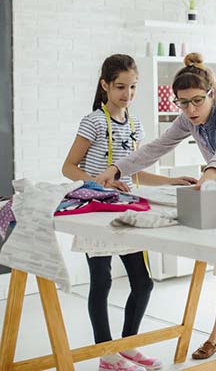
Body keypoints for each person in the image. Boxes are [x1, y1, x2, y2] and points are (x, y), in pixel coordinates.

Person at [94, 52, 216, 371]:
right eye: (182, 103)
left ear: (212, 93)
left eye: (197, 101)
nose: (191, 110)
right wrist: (117, 168)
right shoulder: (188, 117)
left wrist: (207, 178)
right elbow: (156, 148)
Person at [62, 54, 195, 371]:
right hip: (95, 210)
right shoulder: (93, 121)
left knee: (143, 283)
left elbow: (134, 173)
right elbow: (68, 168)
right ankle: (108, 356)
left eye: (133, 87)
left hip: (126, 210)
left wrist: (170, 179)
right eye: (120, 86)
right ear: (105, 85)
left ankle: (128, 346)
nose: (127, 94)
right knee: (102, 283)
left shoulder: (135, 124)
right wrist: (102, 179)